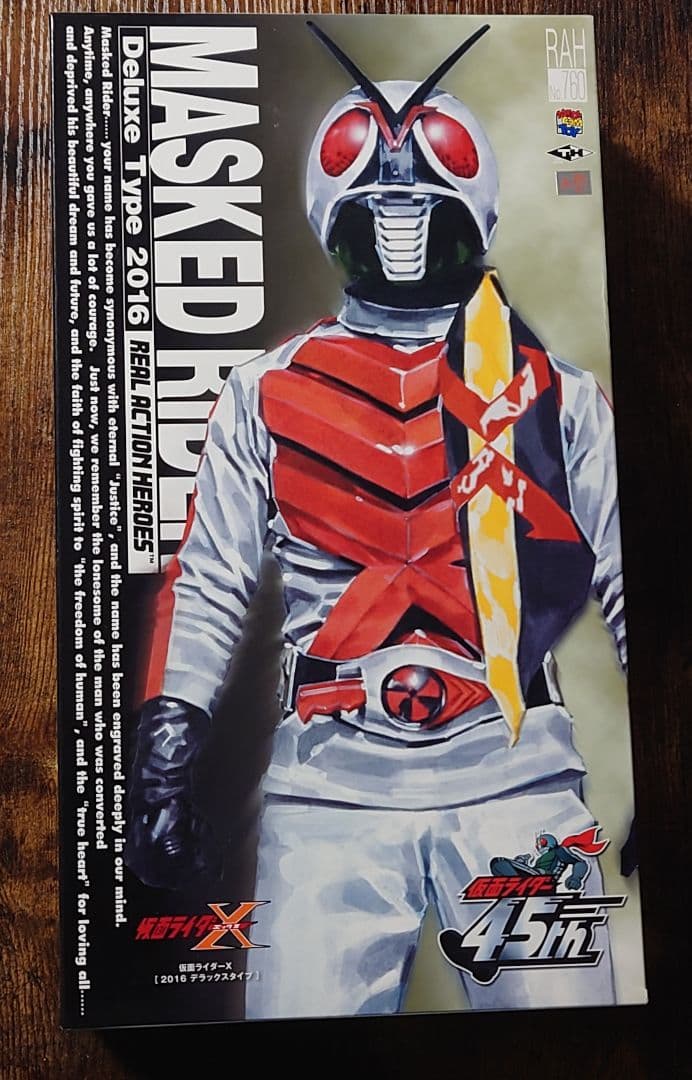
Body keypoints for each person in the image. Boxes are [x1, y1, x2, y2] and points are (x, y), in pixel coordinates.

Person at [127, 22, 626, 1017]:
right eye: (370, 162)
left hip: (517, 773)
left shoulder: (556, 398)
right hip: (326, 789)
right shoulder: (261, 392)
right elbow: (212, 578)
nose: (399, 184)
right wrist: (166, 744)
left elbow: (624, 576)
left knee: (578, 1038)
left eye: (427, 165)